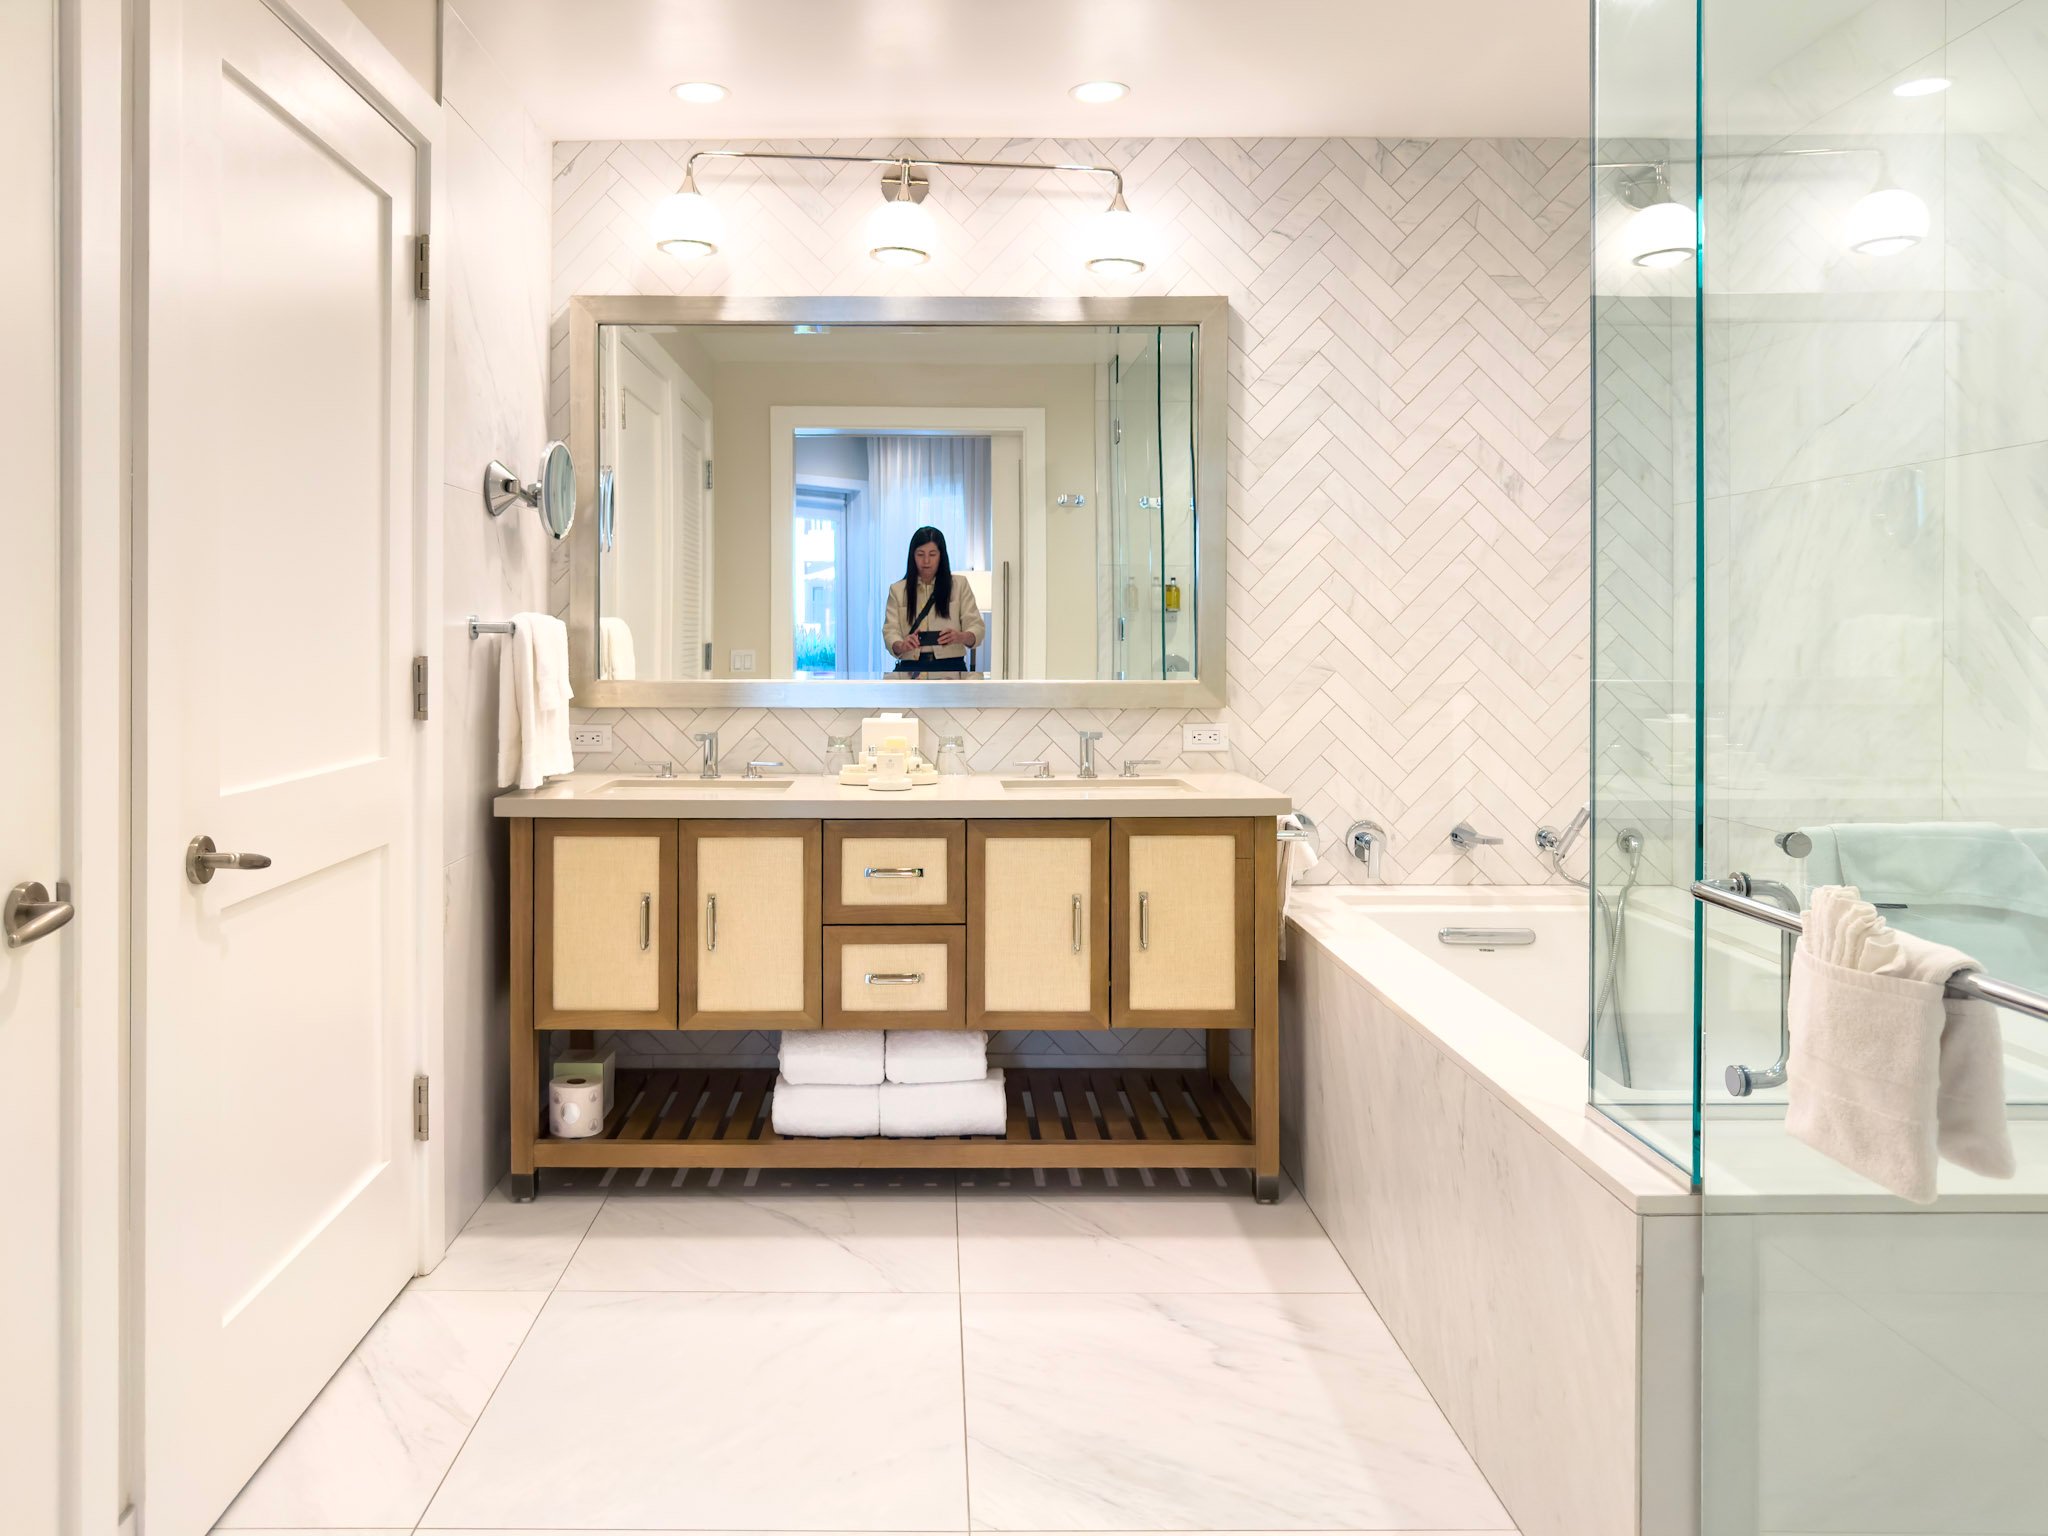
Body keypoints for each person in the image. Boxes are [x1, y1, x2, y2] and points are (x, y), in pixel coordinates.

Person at [882, 525, 985, 675]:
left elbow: (977, 627)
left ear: (941, 555)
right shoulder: (897, 590)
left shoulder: (959, 585)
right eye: (920, 554)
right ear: (912, 556)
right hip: (911, 670)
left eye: (932, 554)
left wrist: (960, 636)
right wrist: (901, 645)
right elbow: (890, 631)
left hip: (951, 668)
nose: (926, 561)